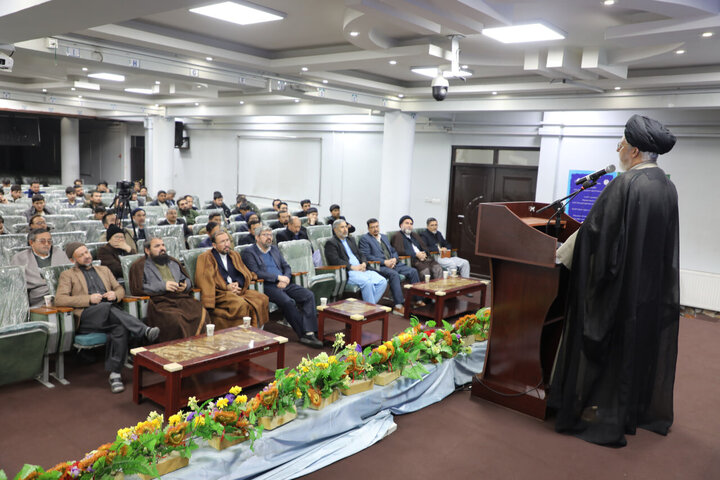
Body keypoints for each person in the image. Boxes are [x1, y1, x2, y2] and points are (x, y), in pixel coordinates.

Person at [550, 115, 680, 447]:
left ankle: (597, 413)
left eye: (621, 143)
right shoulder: (665, 184)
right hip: (648, 289)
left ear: (634, 150)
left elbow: (596, 234)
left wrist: (560, 255)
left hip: (622, 288)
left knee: (606, 346)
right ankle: (629, 409)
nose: (619, 149)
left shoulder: (626, 185)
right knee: (635, 349)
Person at [56, 242, 159, 393]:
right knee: (107, 307)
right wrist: (88, 299)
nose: (86, 256)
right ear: (73, 260)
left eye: (87, 252)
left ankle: (115, 374)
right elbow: (59, 299)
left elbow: (119, 288)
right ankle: (143, 330)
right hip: (87, 316)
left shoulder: (104, 270)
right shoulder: (68, 275)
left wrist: (115, 294)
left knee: (119, 328)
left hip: (109, 314)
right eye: (81, 255)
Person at [241, 225, 323, 347]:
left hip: (284, 282)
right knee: (288, 302)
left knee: (308, 295)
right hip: (267, 286)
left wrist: (286, 278)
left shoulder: (274, 249)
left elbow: (286, 267)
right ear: (257, 237)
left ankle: (310, 331)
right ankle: (303, 335)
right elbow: (255, 272)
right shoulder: (249, 252)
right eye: (265, 235)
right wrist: (278, 278)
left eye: (270, 235)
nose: (269, 238)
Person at [129, 236, 208, 343]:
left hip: (180, 298)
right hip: (160, 302)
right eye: (157, 246)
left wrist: (185, 285)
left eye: (163, 245)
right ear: (147, 250)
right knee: (176, 319)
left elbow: (186, 279)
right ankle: (181, 349)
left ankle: (201, 345)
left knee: (201, 311)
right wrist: (163, 286)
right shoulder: (139, 266)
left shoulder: (172, 262)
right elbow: (138, 288)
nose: (162, 248)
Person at [194, 230, 269, 329]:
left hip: (238, 290)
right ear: (214, 245)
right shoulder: (205, 257)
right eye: (222, 242)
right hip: (220, 294)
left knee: (262, 298)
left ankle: (255, 331)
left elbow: (244, 273)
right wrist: (226, 287)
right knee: (241, 304)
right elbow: (205, 280)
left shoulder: (234, 254)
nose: (226, 244)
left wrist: (237, 283)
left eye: (227, 240)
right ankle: (239, 335)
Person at [359, 218, 421, 314]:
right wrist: (385, 262)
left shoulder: (384, 237)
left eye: (377, 226)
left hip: (393, 263)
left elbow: (393, 251)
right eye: (372, 227)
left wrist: (395, 259)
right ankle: (398, 305)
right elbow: (367, 256)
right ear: (368, 229)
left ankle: (418, 300)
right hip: (379, 266)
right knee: (394, 274)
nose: (375, 229)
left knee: (413, 271)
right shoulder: (365, 239)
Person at [325, 219, 387, 304]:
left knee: (382, 281)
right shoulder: (331, 243)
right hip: (349, 271)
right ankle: (371, 310)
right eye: (342, 227)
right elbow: (335, 260)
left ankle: (369, 308)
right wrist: (352, 267)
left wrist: (364, 263)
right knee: (367, 283)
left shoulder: (350, 239)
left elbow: (360, 254)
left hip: (362, 269)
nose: (345, 229)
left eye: (346, 226)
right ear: (335, 229)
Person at [11, 228, 70, 307]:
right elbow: (16, 285)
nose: (46, 244)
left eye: (49, 241)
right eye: (42, 241)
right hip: (37, 299)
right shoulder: (20, 258)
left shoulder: (61, 255)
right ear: (32, 242)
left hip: (62, 294)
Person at [391, 215, 443, 280]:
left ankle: (438, 289)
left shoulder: (414, 235)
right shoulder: (397, 236)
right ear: (401, 225)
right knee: (425, 271)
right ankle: (425, 289)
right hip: (413, 260)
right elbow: (399, 251)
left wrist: (424, 253)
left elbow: (424, 247)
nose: (409, 225)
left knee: (437, 268)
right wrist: (416, 254)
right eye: (407, 223)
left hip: (425, 258)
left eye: (411, 224)